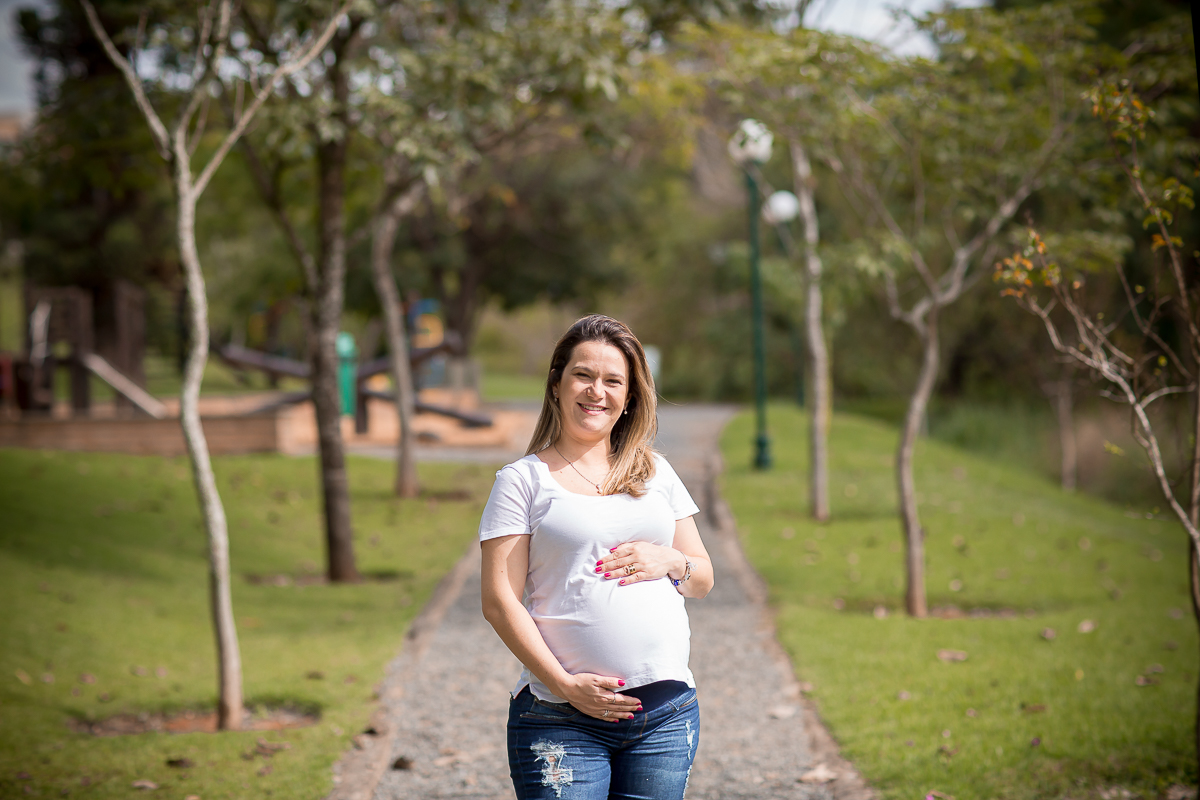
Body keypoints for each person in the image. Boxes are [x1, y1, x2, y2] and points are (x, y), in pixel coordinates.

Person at [479, 314, 714, 800]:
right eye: (583, 375)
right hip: (562, 720)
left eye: (613, 381)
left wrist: (670, 560)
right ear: (557, 384)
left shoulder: (657, 473)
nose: (596, 391)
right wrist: (565, 684)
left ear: (629, 397)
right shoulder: (522, 481)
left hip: (666, 719)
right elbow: (499, 600)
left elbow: (702, 576)